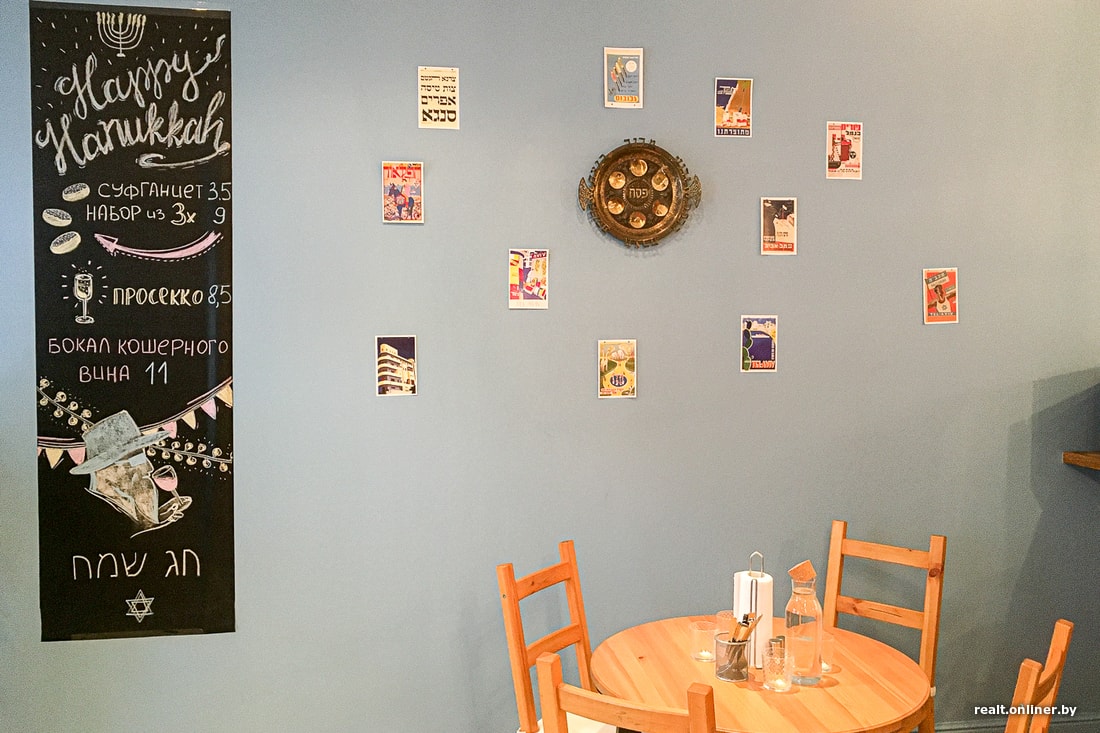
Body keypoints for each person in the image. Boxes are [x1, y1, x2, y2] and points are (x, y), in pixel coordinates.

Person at [70, 410, 190, 535]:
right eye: (137, 459)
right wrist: (157, 527)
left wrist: (154, 520)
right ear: (110, 470)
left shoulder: (121, 499)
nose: (150, 467)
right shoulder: (94, 509)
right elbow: (127, 540)